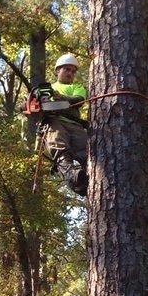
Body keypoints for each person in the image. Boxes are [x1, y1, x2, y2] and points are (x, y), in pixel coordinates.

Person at [44, 53, 88, 196]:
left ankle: (86, 182)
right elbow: (34, 103)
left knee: (87, 153)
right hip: (55, 122)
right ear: (58, 70)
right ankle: (72, 177)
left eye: (73, 71)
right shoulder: (48, 88)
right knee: (60, 149)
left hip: (75, 125)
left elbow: (78, 99)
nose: (70, 73)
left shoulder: (77, 87)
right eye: (67, 69)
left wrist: (62, 97)